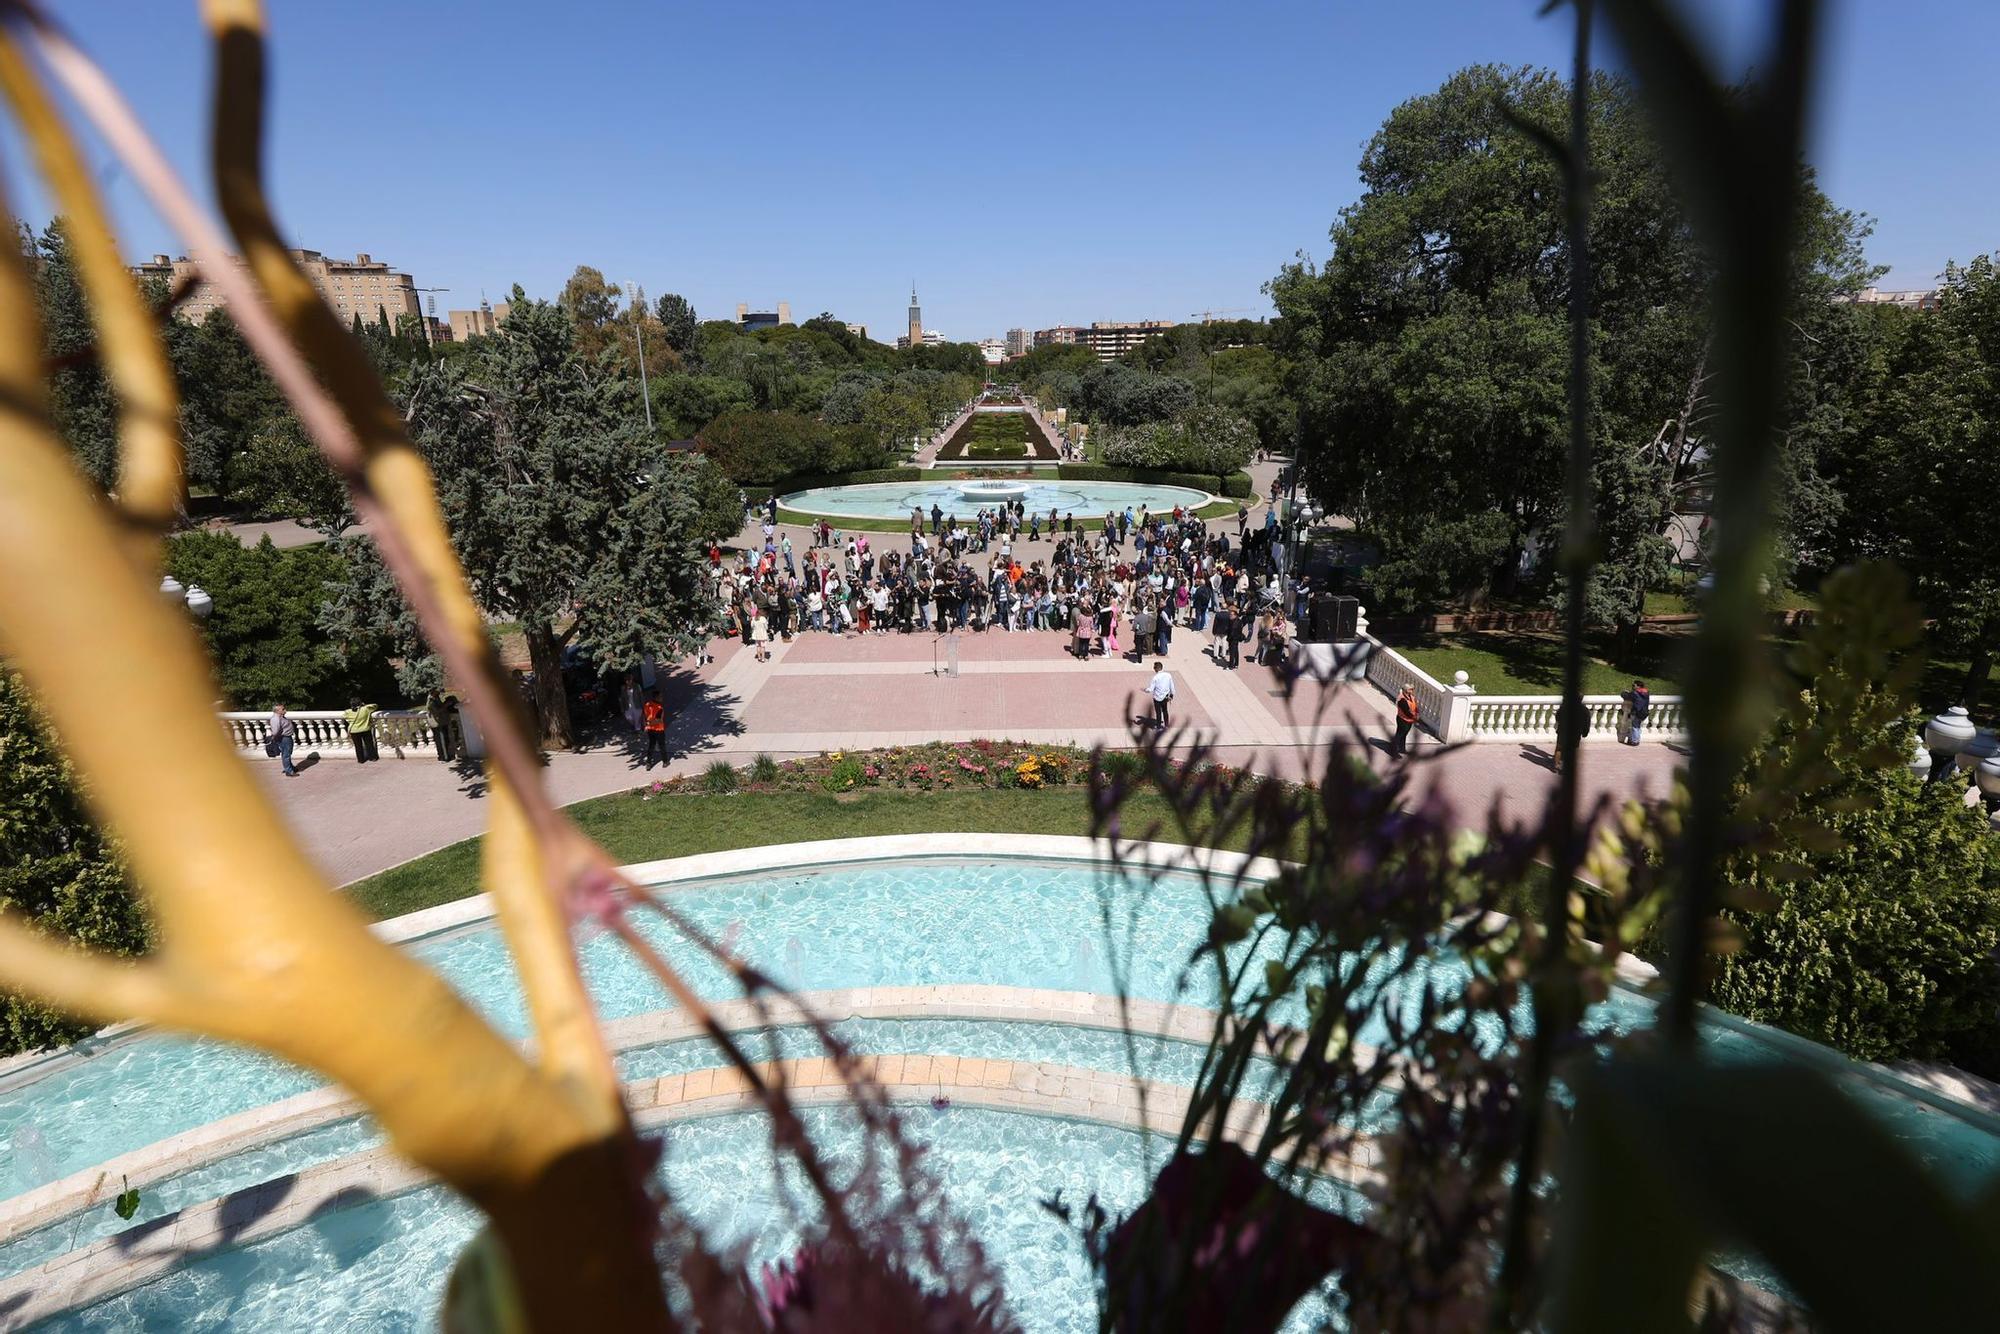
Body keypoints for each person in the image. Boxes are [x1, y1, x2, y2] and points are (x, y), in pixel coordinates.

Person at [344, 697, 379, 764]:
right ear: (360, 703)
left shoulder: (347, 712)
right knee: (369, 744)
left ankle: (361, 760)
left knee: (358, 746)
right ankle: (372, 757)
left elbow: (345, 717)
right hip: (365, 729)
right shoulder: (366, 709)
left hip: (354, 731)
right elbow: (375, 706)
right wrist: (364, 705)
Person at [426, 689, 458, 762]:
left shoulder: (435, 698)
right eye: (437, 691)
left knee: (443, 740)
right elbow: (436, 711)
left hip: (441, 722)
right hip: (438, 724)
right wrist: (446, 705)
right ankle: (444, 757)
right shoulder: (431, 701)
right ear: (433, 692)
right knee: (442, 741)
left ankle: (443, 756)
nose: (439, 692)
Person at [268, 702, 298, 777]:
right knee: (286, 754)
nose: (285, 710)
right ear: (277, 711)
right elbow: (275, 731)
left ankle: (290, 767)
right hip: (284, 738)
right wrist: (275, 737)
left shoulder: (281, 717)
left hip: (286, 737)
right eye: (283, 709)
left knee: (287, 753)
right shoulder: (276, 718)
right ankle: (289, 771)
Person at [641, 689, 668, 769]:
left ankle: (648, 763)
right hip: (659, 730)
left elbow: (643, 715)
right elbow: (659, 720)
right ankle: (665, 761)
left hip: (650, 730)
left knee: (651, 745)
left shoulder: (647, 704)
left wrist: (646, 725)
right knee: (661, 745)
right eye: (660, 697)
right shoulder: (659, 708)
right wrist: (650, 723)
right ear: (656, 698)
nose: (662, 698)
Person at [1392, 685, 1420, 759]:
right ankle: (1394, 750)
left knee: (1404, 734)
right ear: (1405, 690)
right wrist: (1415, 717)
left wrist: (1417, 713)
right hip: (1402, 719)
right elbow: (1406, 711)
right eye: (1410, 689)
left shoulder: (1411, 697)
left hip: (1409, 720)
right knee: (1399, 735)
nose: (1412, 691)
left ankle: (1402, 749)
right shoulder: (1402, 699)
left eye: (1412, 689)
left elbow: (1415, 706)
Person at [1621, 679, 1651, 745]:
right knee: (1638, 726)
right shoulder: (1646, 693)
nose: (1632, 686)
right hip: (1644, 712)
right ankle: (1637, 740)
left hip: (1636, 712)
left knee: (1635, 727)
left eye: (1633, 685)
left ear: (1638, 686)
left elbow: (1626, 696)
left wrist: (1624, 692)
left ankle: (1635, 741)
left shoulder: (1635, 693)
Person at [1147, 661, 1175, 730]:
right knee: (1165, 711)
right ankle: (1166, 725)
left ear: (1156, 669)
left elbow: (1150, 689)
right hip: (1165, 697)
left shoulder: (1155, 677)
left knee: (1158, 712)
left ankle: (1158, 727)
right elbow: (1172, 686)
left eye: (1154, 667)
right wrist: (1172, 695)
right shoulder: (1168, 675)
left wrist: (1145, 690)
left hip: (1157, 698)